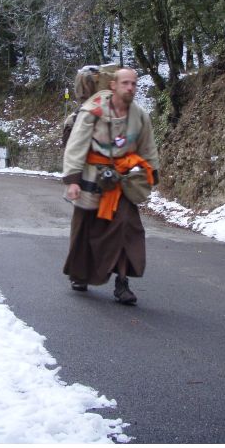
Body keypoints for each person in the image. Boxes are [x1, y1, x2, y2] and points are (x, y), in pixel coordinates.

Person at [62, 67, 160, 305]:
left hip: (122, 182)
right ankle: (80, 275)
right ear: (113, 85)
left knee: (128, 229)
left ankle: (122, 284)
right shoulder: (92, 111)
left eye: (134, 84)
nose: (130, 88)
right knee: (84, 229)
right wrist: (73, 181)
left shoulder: (139, 116)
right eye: (125, 83)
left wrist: (151, 175)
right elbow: (76, 146)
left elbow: (148, 148)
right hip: (91, 180)